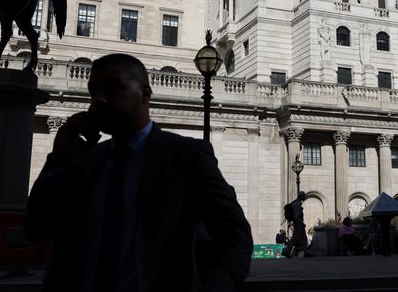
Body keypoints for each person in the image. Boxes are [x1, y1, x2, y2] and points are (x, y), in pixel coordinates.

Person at [24, 53, 253, 292]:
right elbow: (36, 230)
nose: (100, 99)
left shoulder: (186, 156)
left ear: (145, 94)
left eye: (113, 88)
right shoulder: (84, 160)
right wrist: (58, 159)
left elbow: (235, 234)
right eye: (94, 91)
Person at [282, 191, 308, 258]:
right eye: (304, 196)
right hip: (298, 224)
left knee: (302, 238)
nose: (305, 197)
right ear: (301, 196)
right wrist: (300, 223)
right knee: (295, 238)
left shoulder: (295, 203)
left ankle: (306, 251)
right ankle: (286, 251)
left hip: (298, 224)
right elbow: (296, 216)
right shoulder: (297, 204)